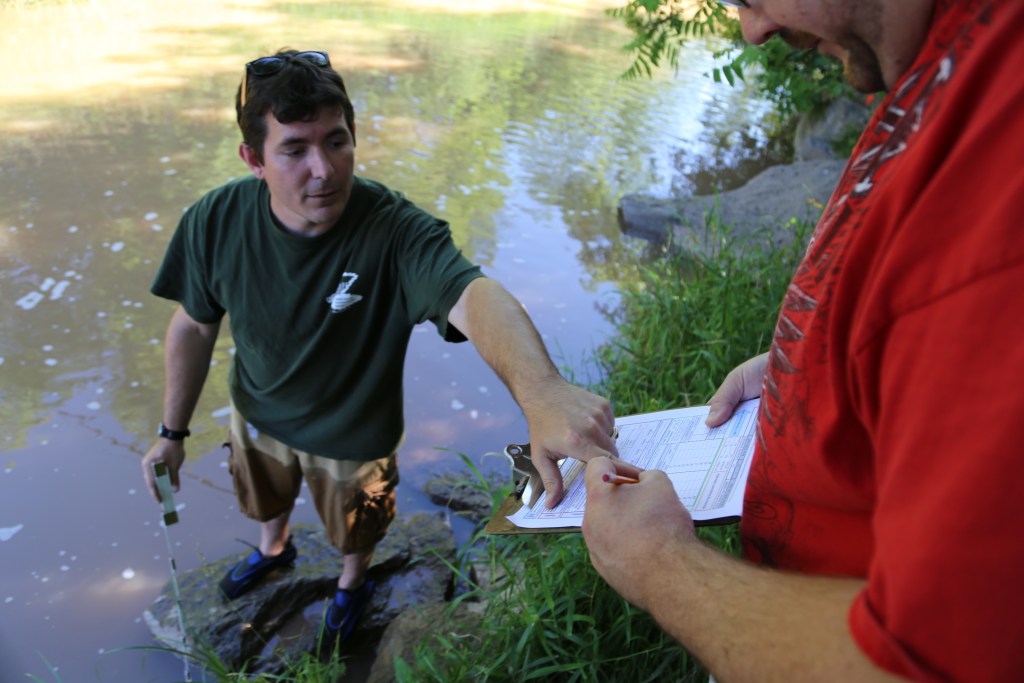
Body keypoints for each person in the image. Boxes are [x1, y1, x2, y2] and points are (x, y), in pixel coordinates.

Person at [582, 1, 1024, 681]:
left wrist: (660, 564)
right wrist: (813, 365)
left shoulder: (999, 178)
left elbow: (923, 664)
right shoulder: (933, 51)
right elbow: (918, 315)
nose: (752, 29)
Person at [140, 49, 635, 652]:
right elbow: (193, 328)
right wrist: (172, 432)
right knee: (263, 500)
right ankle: (274, 549)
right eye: (294, 150)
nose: (323, 169)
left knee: (358, 531)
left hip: (355, 439)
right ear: (254, 159)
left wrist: (543, 391)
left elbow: (473, 296)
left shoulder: (396, 230)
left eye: (336, 141)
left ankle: (352, 583)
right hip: (257, 417)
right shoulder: (214, 221)